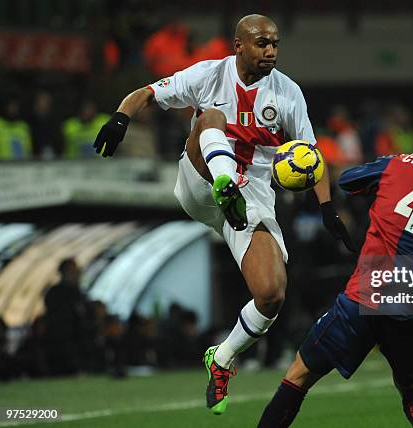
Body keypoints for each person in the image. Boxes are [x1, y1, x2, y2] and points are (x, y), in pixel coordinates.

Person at [92, 14, 355, 415]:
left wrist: (327, 208)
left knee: (271, 295)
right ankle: (224, 181)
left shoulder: (288, 93)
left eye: (275, 44)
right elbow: (146, 92)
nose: (271, 51)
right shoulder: (207, 75)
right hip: (201, 183)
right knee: (211, 117)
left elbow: (310, 154)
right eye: (262, 44)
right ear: (239, 45)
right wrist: (121, 118)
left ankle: (223, 359)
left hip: (252, 200)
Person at [257, 104, 413, 428]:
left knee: (300, 374)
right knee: (412, 388)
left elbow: (348, 180)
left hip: (366, 296)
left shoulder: (396, 164)